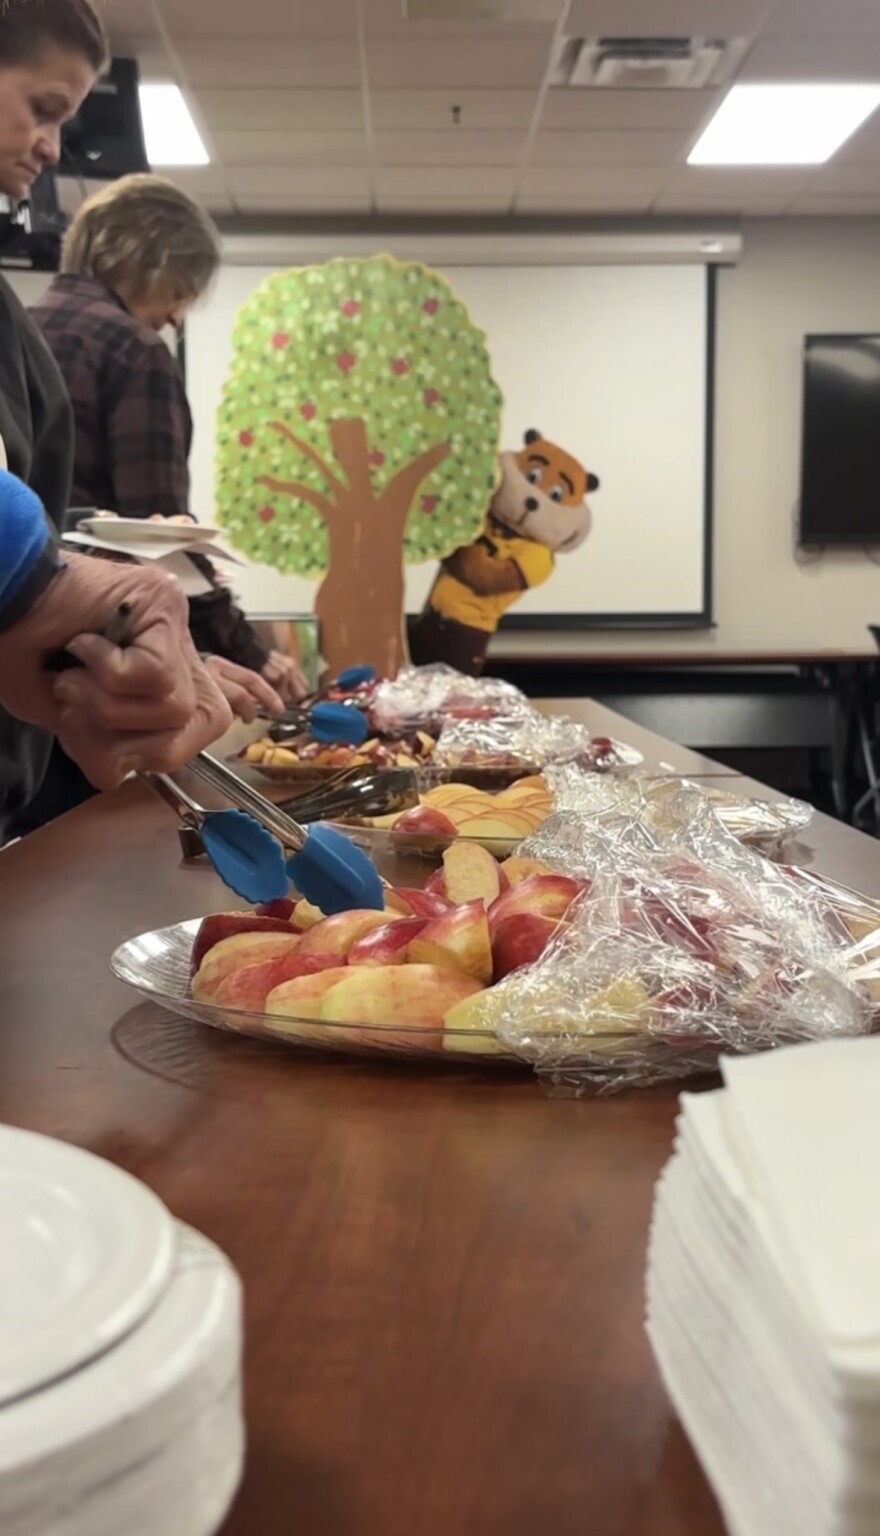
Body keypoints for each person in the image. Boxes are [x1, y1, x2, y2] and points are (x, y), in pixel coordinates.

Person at [0, 0, 230, 832]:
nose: (52, 147)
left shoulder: (25, 316)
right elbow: (156, 534)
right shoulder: (130, 351)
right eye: (43, 109)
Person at [32, 172, 307, 706]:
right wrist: (249, 652)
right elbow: (158, 537)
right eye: (180, 290)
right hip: (91, 658)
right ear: (149, 261)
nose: (177, 317)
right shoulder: (133, 350)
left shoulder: (16, 329)